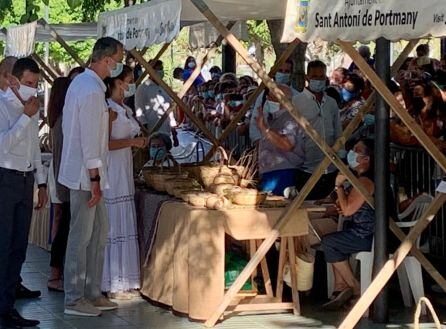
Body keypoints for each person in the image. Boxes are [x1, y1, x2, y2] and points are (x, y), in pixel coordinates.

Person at [59, 37, 123, 317]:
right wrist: (94, 179)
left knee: (98, 234)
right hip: (86, 176)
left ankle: (92, 292)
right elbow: (88, 139)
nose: (119, 64)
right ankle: (74, 298)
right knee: (81, 236)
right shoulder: (88, 89)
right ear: (106, 58)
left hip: (92, 174)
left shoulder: (89, 86)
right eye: (118, 58)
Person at [0, 57, 48, 328]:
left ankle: (8, 304)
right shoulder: (3, 106)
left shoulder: (31, 109)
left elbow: (34, 149)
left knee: (19, 247)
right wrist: (24, 119)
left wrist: (41, 183)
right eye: (29, 83)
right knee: (4, 246)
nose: (33, 88)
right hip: (5, 179)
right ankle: (3, 308)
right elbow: (3, 146)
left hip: (25, 180)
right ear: (14, 80)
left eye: (36, 84)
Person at [102, 65, 146, 299]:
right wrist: (131, 143)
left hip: (124, 168)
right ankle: (110, 277)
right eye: (128, 80)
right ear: (117, 83)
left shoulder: (125, 109)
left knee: (124, 219)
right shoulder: (109, 109)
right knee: (112, 222)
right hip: (113, 170)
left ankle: (125, 277)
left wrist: (137, 142)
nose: (130, 85)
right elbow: (105, 144)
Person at [321, 139, 375, 310]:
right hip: (363, 231)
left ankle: (355, 287)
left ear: (365, 159)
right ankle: (340, 288)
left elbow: (349, 210)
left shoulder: (366, 182)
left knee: (329, 242)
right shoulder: (360, 180)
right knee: (336, 236)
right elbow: (345, 207)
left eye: (356, 150)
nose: (351, 152)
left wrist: (338, 185)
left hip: (369, 235)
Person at [293, 60, 343, 200]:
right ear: (307, 77)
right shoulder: (296, 102)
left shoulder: (331, 103)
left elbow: (338, 130)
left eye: (321, 77)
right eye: (315, 77)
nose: (318, 80)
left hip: (330, 166)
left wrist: (340, 152)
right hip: (306, 166)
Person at [255, 85, 305, 196]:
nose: (268, 101)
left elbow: (287, 144)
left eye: (272, 98)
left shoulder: (290, 118)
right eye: (267, 98)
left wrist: (265, 129)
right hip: (270, 173)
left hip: (283, 173)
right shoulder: (273, 119)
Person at [47, 77, 72, 293]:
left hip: (61, 179)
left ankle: (56, 272)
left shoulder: (56, 118)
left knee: (63, 225)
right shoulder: (64, 120)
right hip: (66, 180)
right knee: (65, 227)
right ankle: (56, 273)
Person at [249, 60, 297, 144]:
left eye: (287, 71)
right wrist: (259, 143)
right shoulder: (263, 95)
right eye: (280, 71)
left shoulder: (296, 96)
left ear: (291, 74)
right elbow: (255, 121)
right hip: (265, 145)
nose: (283, 74)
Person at [135, 60, 178, 147]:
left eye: (161, 69)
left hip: (166, 131)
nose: (160, 72)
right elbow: (140, 112)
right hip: (152, 132)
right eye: (158, 69)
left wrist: (174, 134)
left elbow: (170, 110)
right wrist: (145, 132)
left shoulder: (164, 87)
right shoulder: (143, 88)